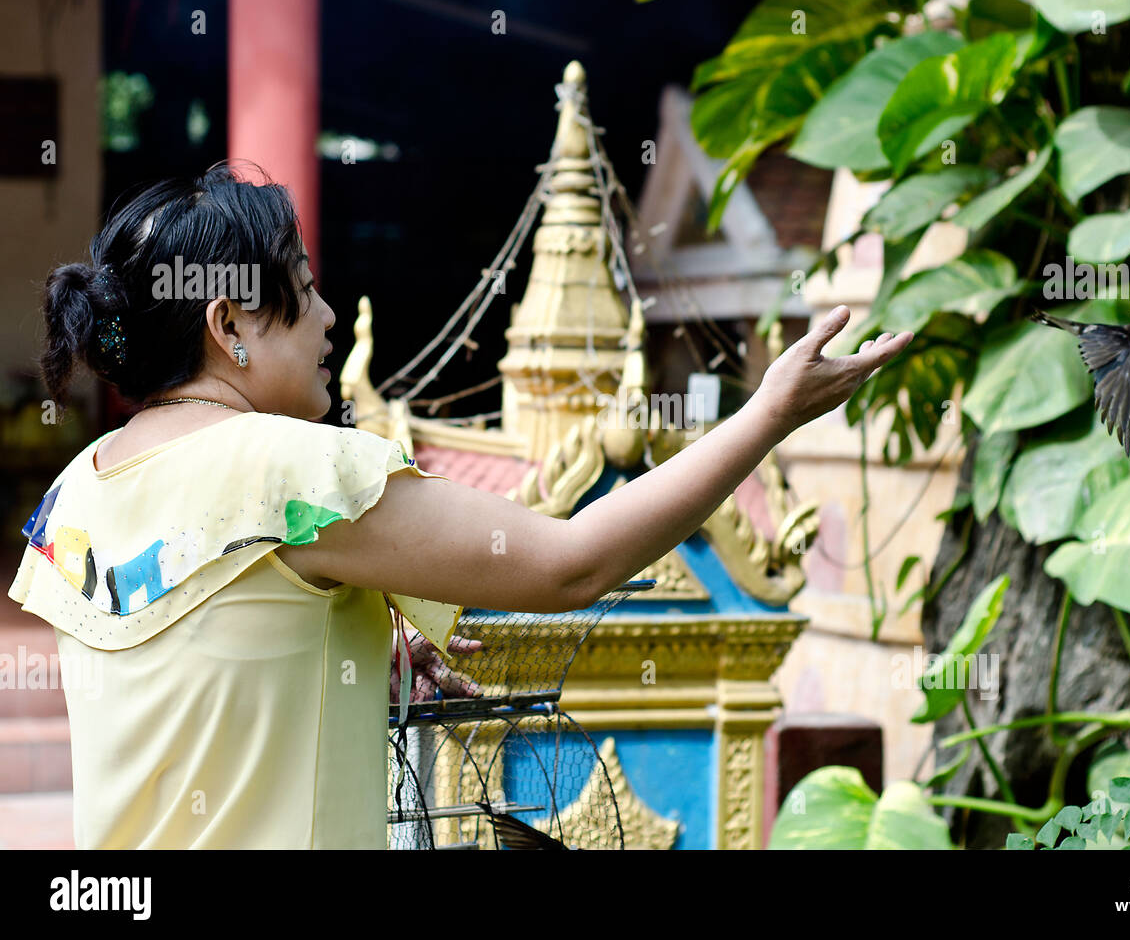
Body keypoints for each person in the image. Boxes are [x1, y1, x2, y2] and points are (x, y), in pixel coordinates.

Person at [8, 161, 913, 849]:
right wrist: (769, 414)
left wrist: (335, 647)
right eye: (306, 283)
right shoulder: (298, 472)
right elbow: (573, 562)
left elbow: (189, 669)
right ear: (229, 324)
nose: (329, 317)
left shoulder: (78, 488)